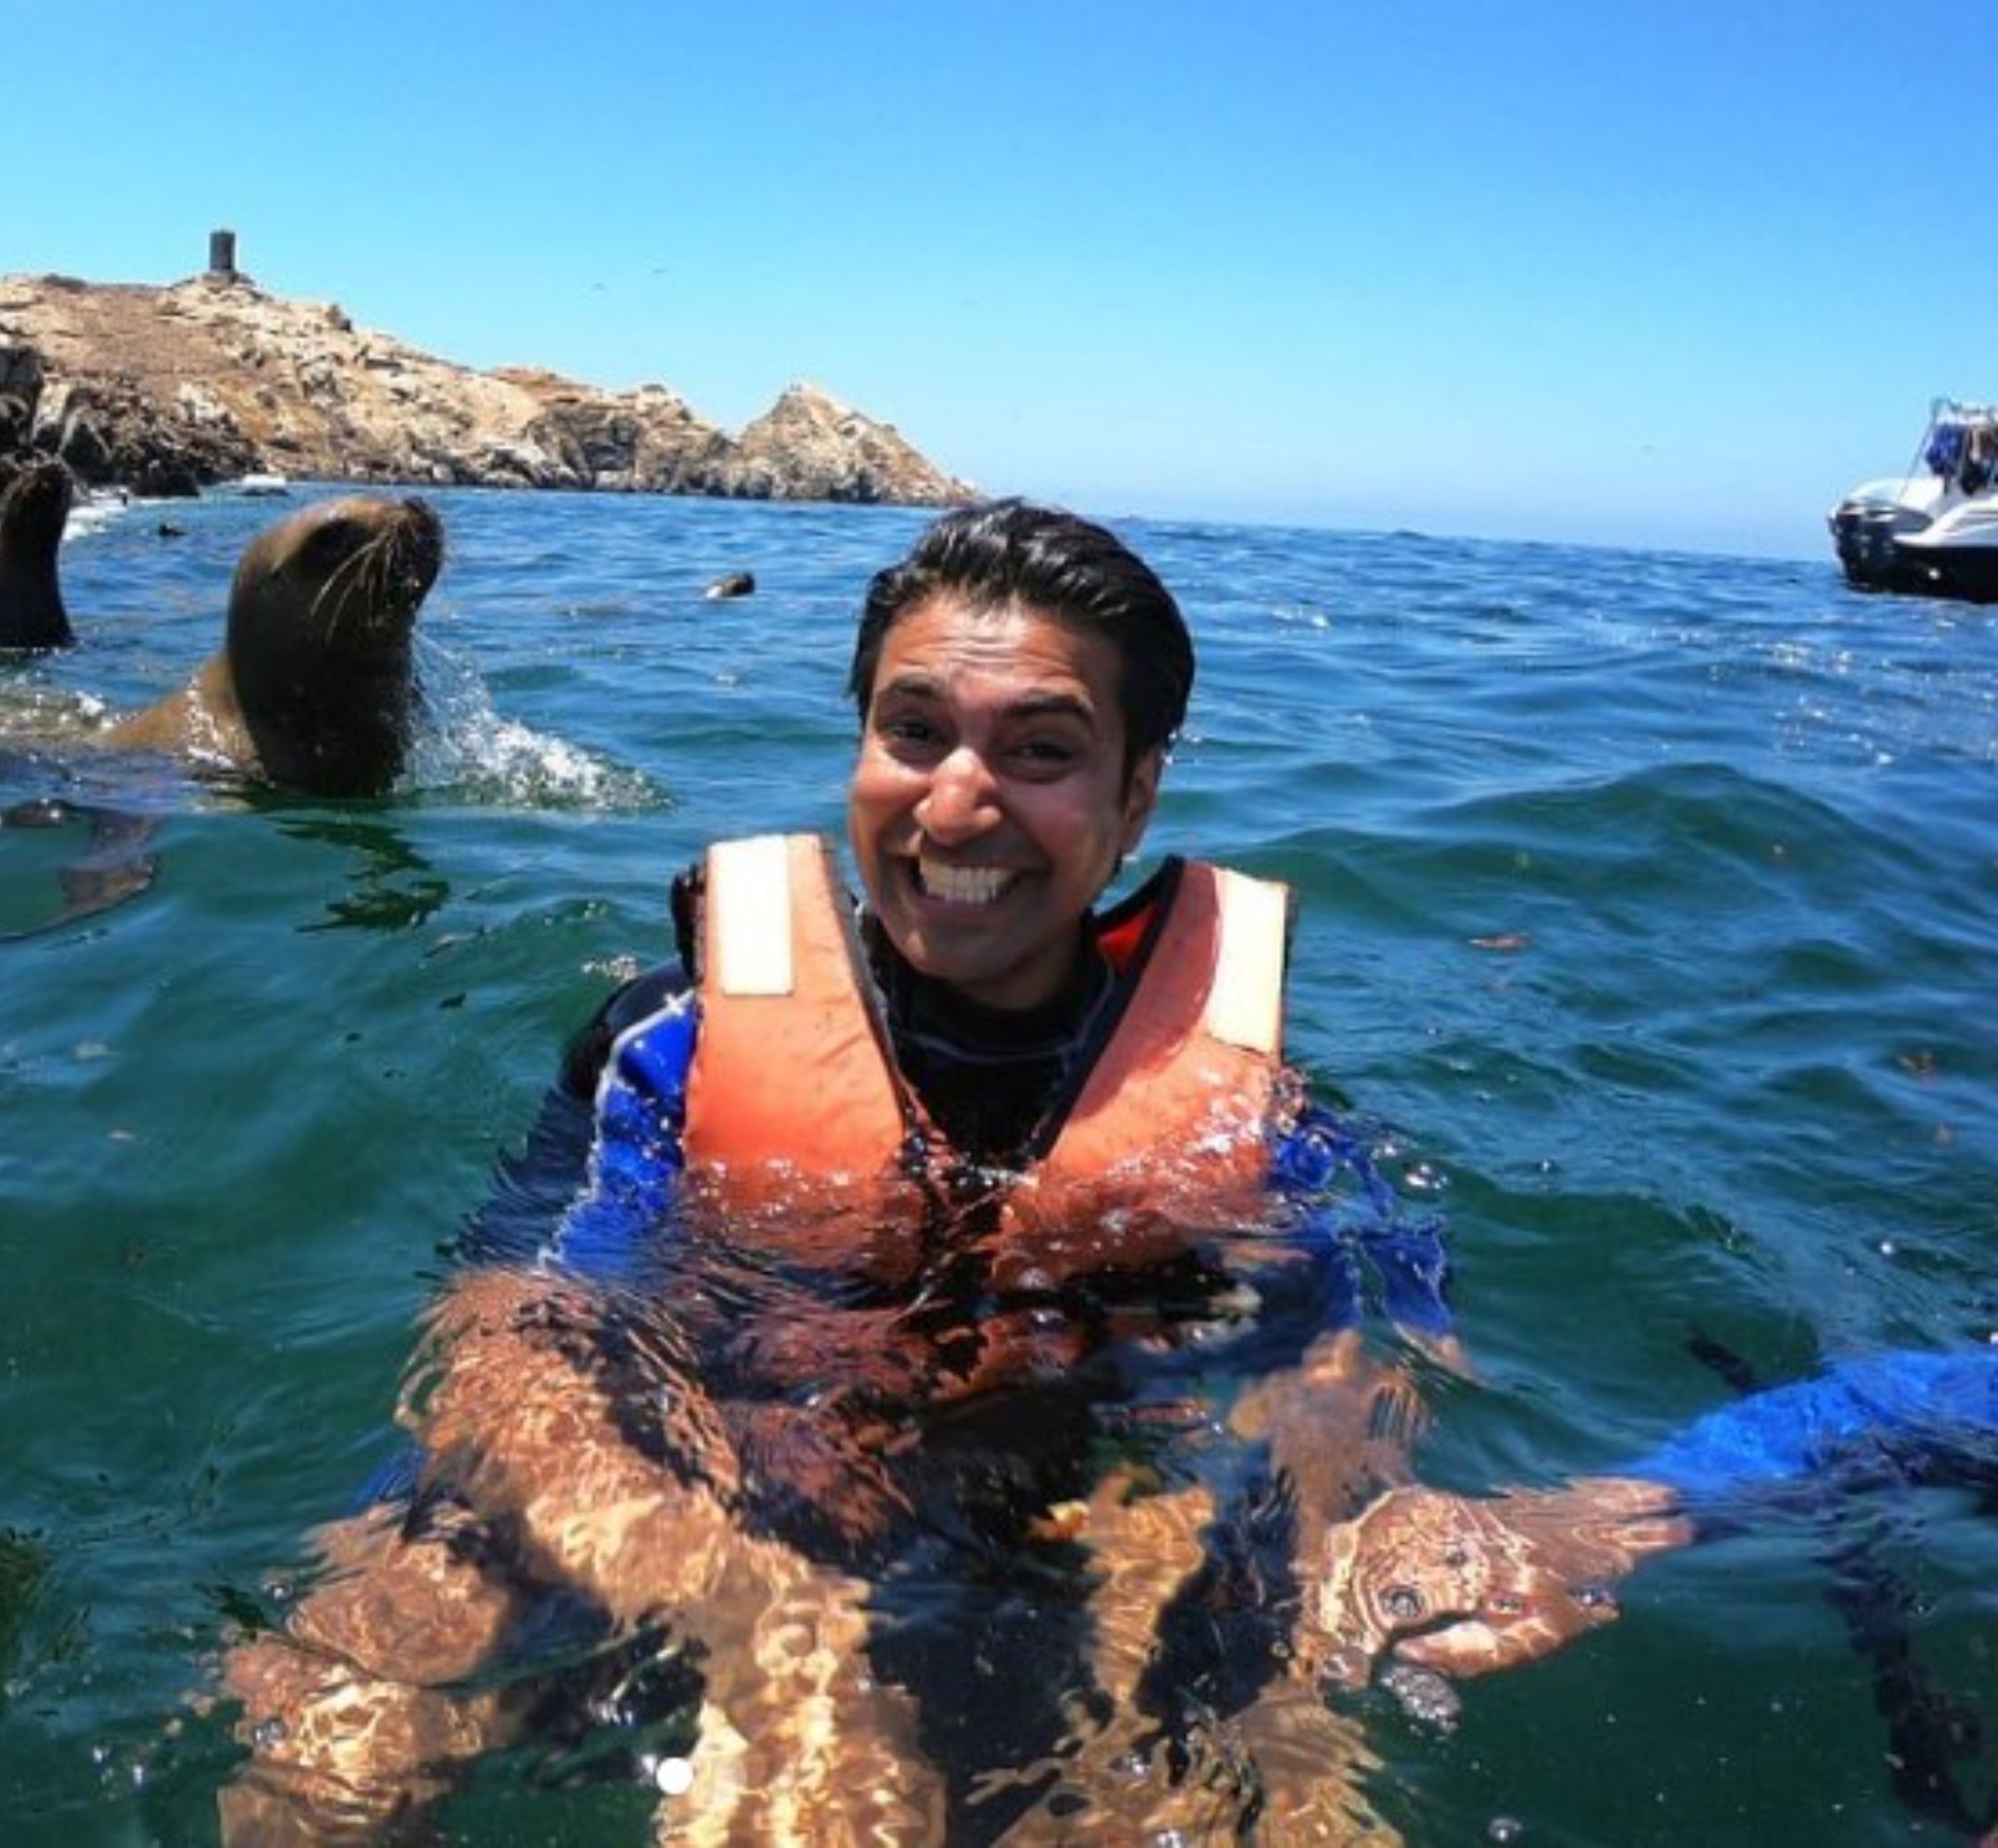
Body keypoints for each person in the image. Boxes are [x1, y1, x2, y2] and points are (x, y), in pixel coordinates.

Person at [216, 503, 1684, 1844]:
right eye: (914, 732)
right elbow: (515, 1344)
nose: (957, 803)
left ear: (1137, 796)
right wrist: (745, 1605)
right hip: (674, 1496)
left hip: (1049, 1536)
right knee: (322, 1729)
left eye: (1039, 750)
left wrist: (1368, 1525)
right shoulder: (671, 1046)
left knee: (1283, 1796)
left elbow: (1344, 1374)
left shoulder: (1267, 1128)